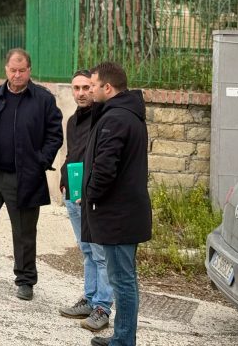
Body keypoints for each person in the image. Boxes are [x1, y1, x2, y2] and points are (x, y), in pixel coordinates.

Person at [0, 48, 63, 301]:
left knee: (25, 232)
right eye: (13, 70)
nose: (17, 75)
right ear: (5, 69)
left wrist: (40, 162)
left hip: (25, 177)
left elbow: (54, 135)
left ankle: (26, 281)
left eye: (22, 70)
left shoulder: (43, 99)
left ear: (29, 71)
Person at [82, 62, 152, 346]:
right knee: (123, 280)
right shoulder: (124, 115)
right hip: (124, 213)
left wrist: (91, 196)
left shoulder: (116, 119)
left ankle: (124, 341)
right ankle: (123, 336)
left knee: (123, 282)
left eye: (94, 85)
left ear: (107, 88)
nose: (90, 90)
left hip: (119, 216)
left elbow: (106, 169)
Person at [58, 70, 113, 332]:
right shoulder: (71, 121)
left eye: (86, 87)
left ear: (94, 89)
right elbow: (72, 154)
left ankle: (103, 307)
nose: (81, 93)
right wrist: (64, 180)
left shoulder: (102, 119)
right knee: (87, 250)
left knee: (101, 254)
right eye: (76, 88)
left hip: (93, 196)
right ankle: (90, 300)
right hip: (74, 193)